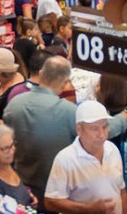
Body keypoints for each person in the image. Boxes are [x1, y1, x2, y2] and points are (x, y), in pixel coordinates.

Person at [45, 100, 127, 214]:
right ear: (79, 130)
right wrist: (91, 209)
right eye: (94, 129)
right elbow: (51, 202)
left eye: (105, 127)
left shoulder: (112, 150)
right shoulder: (65, 159)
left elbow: (121, 192)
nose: (102, 134)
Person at [4, 56, 77, 201]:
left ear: (41, 74)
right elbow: (99, 132)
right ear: (65, 83)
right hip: (57, 192)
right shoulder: (69, 111)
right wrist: (124, 116)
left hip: (21, 184)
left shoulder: (15, 103)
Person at [0, 124, 37, 206]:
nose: (12, 151)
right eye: (5, 148)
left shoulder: (5, 165)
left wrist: (28, 197)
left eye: (12, 145)